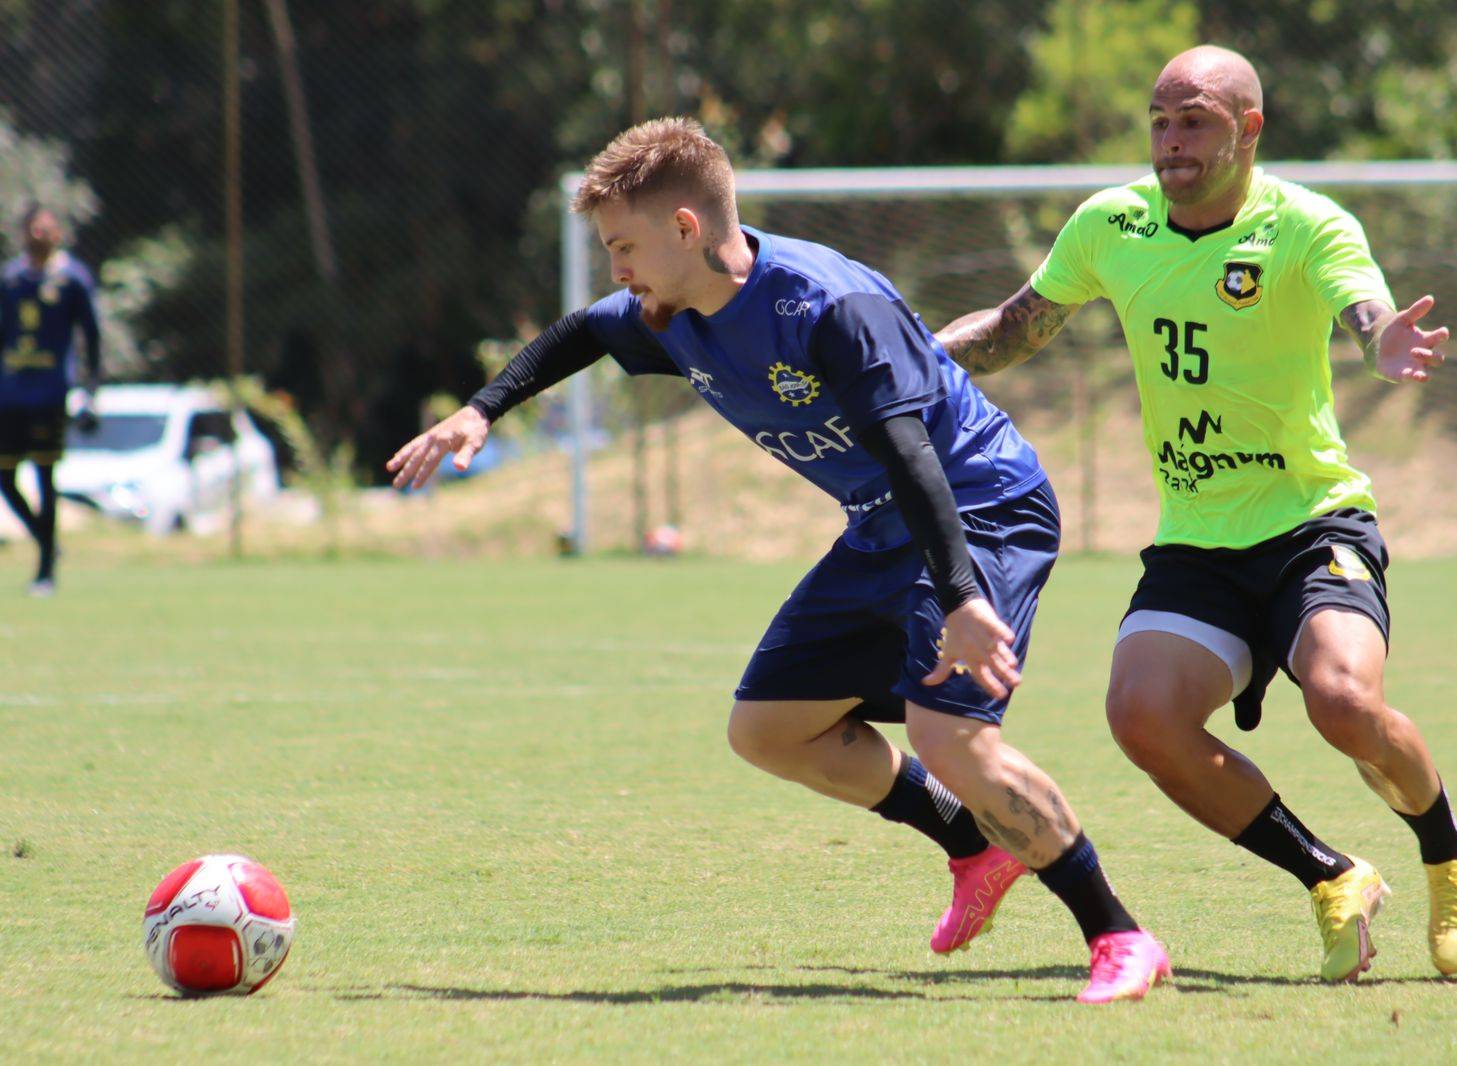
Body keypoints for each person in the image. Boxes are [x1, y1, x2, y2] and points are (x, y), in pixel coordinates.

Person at [389, 117, 1169, 1003]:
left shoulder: (832, 307)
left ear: (685, 229)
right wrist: (483, 411)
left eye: (624, 246)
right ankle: (973, 844)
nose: (617, 270)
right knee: (767, 729)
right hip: (880, 522)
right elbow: (584, 332)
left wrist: (960, 596)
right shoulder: (668, 310)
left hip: (976, 505)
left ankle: (1120, 934)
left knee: (948, 735)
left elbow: (915, 457)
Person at [936, 45, 1457, 983]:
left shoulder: (1307, 225)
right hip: (1198, 540)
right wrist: (911, 359)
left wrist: (1381, 340)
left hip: (1314, 525)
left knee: (1344, 702)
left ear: (1249, 129)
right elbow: (1016, 324)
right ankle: (1332, 877)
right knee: (1140, 716)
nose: (1171, 139)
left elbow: (1364, 306)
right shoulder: (1111, 224)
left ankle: (1447, 852)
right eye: (1159, 119)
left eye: (1193, 119)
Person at [0, 205, 101, 596]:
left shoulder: (73, 278)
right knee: (5, 478)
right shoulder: (9, 279)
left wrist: (90, 392)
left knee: (46, 477)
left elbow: (90, 338)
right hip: (9, 394)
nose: (39, 235)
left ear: (58, 233)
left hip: (50, 392)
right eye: (33, 229)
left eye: (47, 228)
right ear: (23, 233)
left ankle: (45, 571)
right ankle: (48, 542)